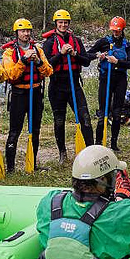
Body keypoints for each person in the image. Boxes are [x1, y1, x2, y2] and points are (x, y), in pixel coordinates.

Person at [0, 18, 53, 171]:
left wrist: (38, 62)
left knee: (35, 130)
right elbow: (10, 75)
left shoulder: (38, 50)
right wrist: (23, 60)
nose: (26, 34)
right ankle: (10, 167)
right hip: (19, 94)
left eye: (28, 31)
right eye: (23, 31)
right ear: (17, 33)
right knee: (14, 131)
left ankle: (33, 163)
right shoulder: (9, 53)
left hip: (35, 93)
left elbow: (49, 71)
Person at [41, 9, 95, 162]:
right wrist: (61, 54)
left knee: (85, 117)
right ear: (56, 24)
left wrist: (74, 55)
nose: (63, 25)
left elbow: (86, 61)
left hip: (74, 86)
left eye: (66, 22)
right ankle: (62, 152)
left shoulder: (76, 40)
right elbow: (46, 65)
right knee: (59, 121)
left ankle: (91, 150)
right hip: (57, 86)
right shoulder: (49, 42)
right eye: (60, 22)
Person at [87, 17, 130, 150]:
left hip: (120, 80)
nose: (115, 33)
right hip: (105, 79)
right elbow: (88, 54)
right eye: (113, 31)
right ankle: (98, 144)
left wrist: (117, 62)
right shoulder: (103, 42)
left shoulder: (127, 44)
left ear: (122, 30)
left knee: (117, 114)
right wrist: (98, 56)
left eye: (118, 31)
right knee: (103, 113)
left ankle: (114, 144)